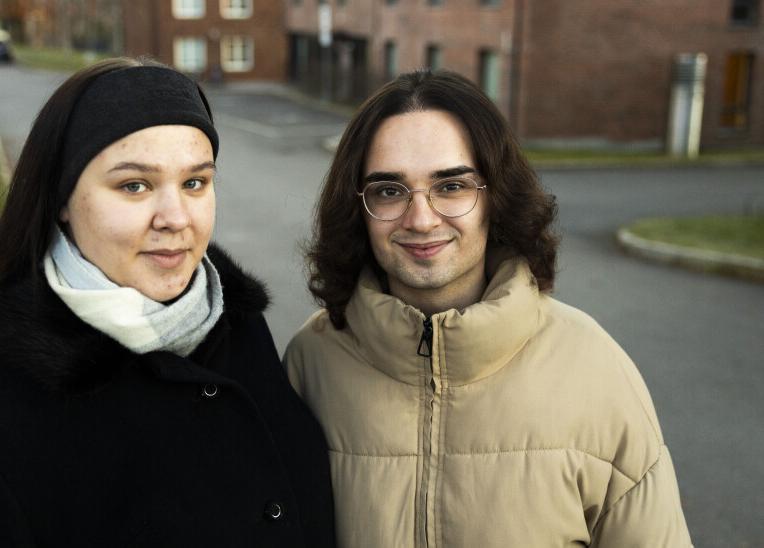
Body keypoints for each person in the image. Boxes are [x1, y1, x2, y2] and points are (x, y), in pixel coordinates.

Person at [0, 57, 336, 546]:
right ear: (62, 199)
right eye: (134, 185)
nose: (175, 218)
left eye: (195, 182)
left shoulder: (235, 325)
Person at [284, 69, 691, 547]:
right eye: (389, 191)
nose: (421, 219)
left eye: (451, 186)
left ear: (495, 196)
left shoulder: (598, 371)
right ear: (358, 208)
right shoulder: (310, 363)